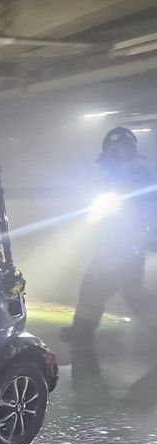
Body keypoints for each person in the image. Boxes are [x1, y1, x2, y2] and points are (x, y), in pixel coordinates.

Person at [62, 126, 157, 341]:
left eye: (120, 148)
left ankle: (82, 330)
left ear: (130, 150)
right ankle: (81, 331)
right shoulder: (109, 174)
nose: (115, 153)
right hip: (109, 245)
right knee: (93, 291)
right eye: (111, 149)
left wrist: (147, 234)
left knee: (132, 294)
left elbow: (150, 207)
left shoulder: (140, 176)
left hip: (129, 247)